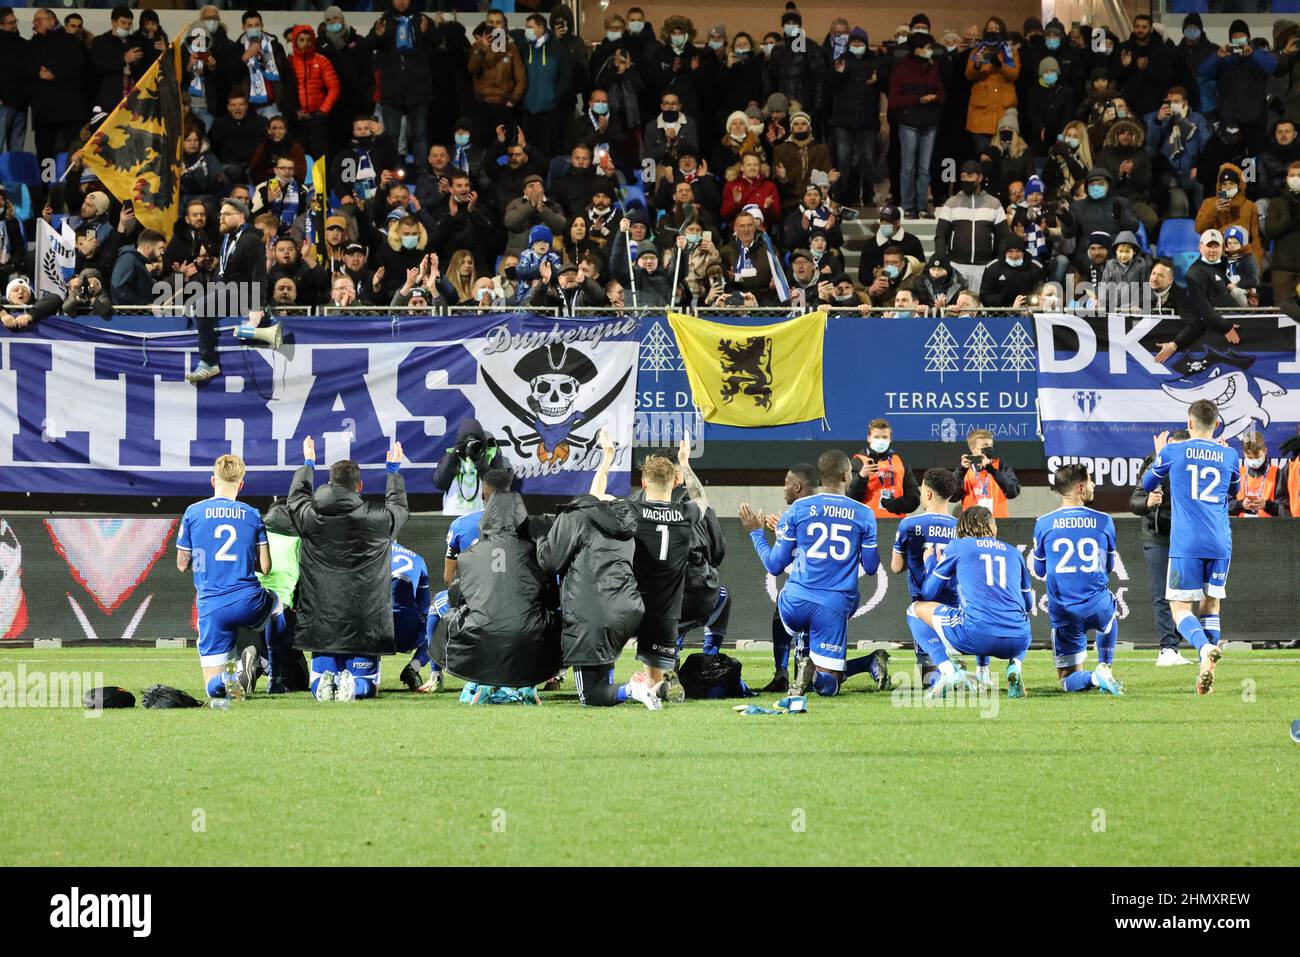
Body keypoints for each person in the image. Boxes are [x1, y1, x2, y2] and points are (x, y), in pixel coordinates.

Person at [740, 450, 881, 698]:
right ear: (847, 475)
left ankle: (791, 666)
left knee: (791, 607)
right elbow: (870, 568)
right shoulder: (864, 514)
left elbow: (774, 565)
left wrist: (756, 534)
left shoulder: (798, 509)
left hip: (794, 603)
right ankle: (814, 667)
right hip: (834, 604)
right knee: (827, 686)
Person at [534, 429, 656, 710]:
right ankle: (626, 687)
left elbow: (549, 561)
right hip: (627, 608)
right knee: (601, 664)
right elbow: (597, 496)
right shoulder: (624, 522)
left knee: (590, 695)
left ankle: (631, 689)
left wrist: (543, 536)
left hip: (594, 609)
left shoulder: (580, 517)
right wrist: (607, 457)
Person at [288, 437, 410, 702]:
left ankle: (327, 682)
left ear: (330, 483)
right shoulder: (378, 519)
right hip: (365, 622)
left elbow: (295, 499)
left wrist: (308, 464)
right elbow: (399, 509)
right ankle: (353, 686)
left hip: (322, 621)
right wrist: (393, 473)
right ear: (360, 486)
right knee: (367, 686)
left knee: (319, 684)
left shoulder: (310, 517)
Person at [434, 477, 561, 705]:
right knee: (556, 619)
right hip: (529, 638)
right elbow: (553, 599)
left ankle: (475, 680)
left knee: (449, 615)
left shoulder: (471, 554)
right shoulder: (536, 552)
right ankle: (529, 683)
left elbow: (456, 596)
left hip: (481, 637)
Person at [1140, 400, 1238, 694]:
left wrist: (1160, 459)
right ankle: (1206, 666)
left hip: (1186, 542)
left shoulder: (1173, 451)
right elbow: (1235, 491)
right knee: (1211, 604)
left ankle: (1204, 648)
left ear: (1189, 423)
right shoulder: (1230, 454)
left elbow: (1147, 484)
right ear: (1216, 424)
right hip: (1220, 541)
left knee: (1180, 608)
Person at [175, 455, 276, 705]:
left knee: (213, 690)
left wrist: (205, 561)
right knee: (277, 605)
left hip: (211, 606)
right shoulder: (252, 514)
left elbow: (181, 564)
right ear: (241, 485)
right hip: (247, 600)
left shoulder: (193, 512)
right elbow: (266, 566)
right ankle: (274, 669)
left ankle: (232, 676)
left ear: (213, 480)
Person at [908, 505, 1034, 699]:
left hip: (975, 635)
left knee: (914, 610)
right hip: (1018, 641)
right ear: (992, 526)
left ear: (962, 528)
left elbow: (928, 592)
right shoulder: (1013, 552)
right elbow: (1028, 605)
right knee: (1017, 617)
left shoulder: (959, 546)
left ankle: (948, 671)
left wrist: (931, 563)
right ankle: (1013, 667)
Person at [1030, 464, 1124, 696]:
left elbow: (1040, 570)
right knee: (1109, 610)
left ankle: (1094, 677)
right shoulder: (1104, 520)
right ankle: (1105, 665)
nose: (1094, 486)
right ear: (1080, 488)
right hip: (1096, 606)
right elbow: (1110, 566)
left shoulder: (1043, 523)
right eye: (1091, 481)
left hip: (1064, 611)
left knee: (1068, 680)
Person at [625, 446, 700, 702]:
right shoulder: (685, 514)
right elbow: (701, 498)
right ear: (676, 480)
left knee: (601, 663)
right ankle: (655, 686)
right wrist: (685, 463)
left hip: (627, 607)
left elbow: (597, 498)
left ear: (644, 482)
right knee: (655, 676)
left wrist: (606, 460)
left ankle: (643, 687)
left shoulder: (631, 511)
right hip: (665, 610)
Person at [891, 468, 961, 689]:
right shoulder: (961, 527)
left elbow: (896, 567)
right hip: (954, 606)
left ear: (928, 494)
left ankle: (942, 673)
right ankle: (957, 668)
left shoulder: (909, 525)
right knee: (952, 655)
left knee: (928, 678)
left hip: (923, 607)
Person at [1131, 429, 1196, 666]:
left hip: (1185, 538)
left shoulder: (1194, 466)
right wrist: (1148, 502)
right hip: (1157, 536)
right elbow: (1134, 502)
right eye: (1173, 449)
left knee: (1184, 593)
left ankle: (1179, 644)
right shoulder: (1154, 462)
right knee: (1162, 594)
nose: (1176, 454)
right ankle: (1167, 648)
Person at [433, 418, 508, 515]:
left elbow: (500, 486)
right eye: (466, 442)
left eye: (475, 442)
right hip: (453, 516)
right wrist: (453, 457)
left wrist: (479, 462)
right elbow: (440, 483)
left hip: (482, 516)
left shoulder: (491, 454)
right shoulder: (451, 454)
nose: (469, 446)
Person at [848, 417, 920, 518]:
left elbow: (914, 498)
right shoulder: (858, 462)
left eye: (885, 437)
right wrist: (861, 477)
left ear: (890, 439)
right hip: (867, 523)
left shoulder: (900, 463)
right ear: (869, 438)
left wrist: (898, 504)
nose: (881, 441)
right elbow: (850, 499)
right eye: (876, 437)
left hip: (896, 523)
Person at [391, 540, 433, 693]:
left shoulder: (363, 554)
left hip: (369, 632)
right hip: (405, 635)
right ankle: (413, 667)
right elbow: (425, 607)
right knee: (438, 624)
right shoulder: (417, 559)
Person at [954, 428, 1020, 517]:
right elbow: (952, 497)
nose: (989, 448)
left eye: (990, 445)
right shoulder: (964, 470)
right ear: (974, 449)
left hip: (999, 524)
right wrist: (961, 471)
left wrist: (991, 469)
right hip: (972, 525)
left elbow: (1013, 492)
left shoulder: (1000, 466)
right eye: (985, 445)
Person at [1229, 433, 1289, 518]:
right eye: (1249, 457)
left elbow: (1285, 509)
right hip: (1242, 527)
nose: (1253, 461)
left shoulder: (1277, 473)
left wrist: (1266, 505)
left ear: (1265, 451)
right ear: (1244, 454)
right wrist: (1241, 504)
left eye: (1257, 456)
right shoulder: (1239, 474)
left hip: (1271, 527)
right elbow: (1227, 505)